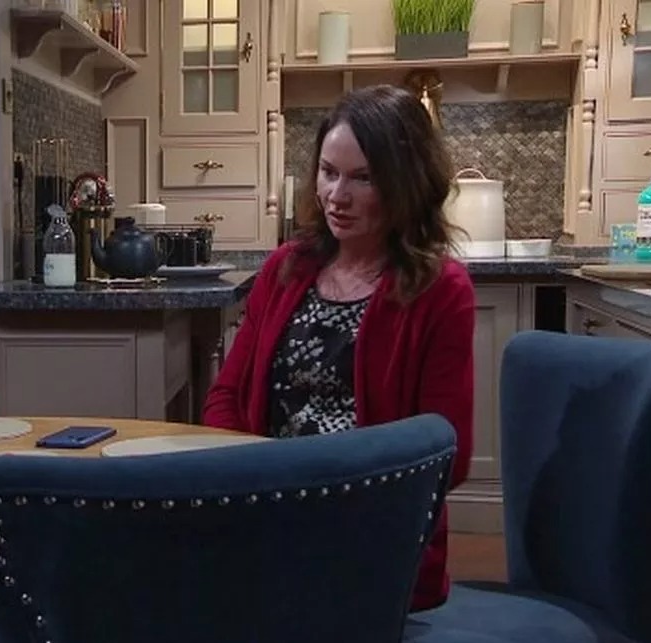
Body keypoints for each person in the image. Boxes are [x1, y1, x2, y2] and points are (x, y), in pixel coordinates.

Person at [201, 84, 476, 612]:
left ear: (406, 182)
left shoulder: (440, 290)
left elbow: (448, 453)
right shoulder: (286, 268)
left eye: (363, 178)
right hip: (266, 514)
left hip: (373, 538)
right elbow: (226, 397)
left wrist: (327, 500)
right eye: (329, 172)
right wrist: (251, 486)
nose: (337, 196)